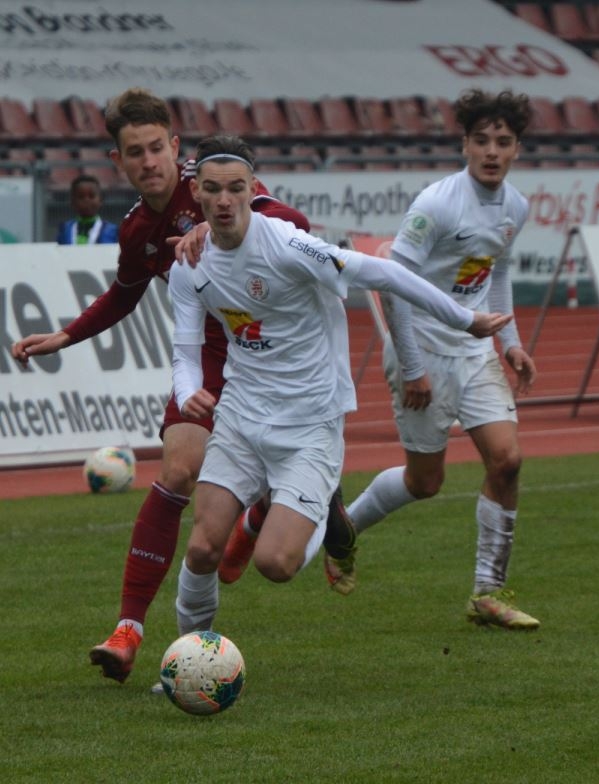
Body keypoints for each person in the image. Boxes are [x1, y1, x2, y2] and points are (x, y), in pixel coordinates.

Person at [9, 87, 353, 685]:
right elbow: (125, 290)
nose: (148, 162)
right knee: (176, 473)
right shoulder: (139, 228)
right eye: (133, 153)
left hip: (267, 356)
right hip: (205, 362)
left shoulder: (212, 184)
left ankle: (279, 507)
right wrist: (65, 336)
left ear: (174, 148)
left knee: (264, 528)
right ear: (118, 162)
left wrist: (229, 228)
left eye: (155, 148)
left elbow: (291, 222)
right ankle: (129, 631)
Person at [168, 135, 509, 635]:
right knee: (201, 547)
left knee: (276, 565)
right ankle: (188, 658)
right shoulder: (190, 266)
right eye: (212, 189)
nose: (224, 200)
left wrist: (465, 320)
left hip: (310, 422)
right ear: (196, 192)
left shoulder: (288, 245)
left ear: (251, 188)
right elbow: (185, 350)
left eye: (235, 188)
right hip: (241, 418)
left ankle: (328, 517)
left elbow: (385, 273)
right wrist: (187, 392)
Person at [325, 88, 539, 630]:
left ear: (517, 149)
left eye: (504, 142)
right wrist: (413, 364)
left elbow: (498, 273)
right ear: (465, 144)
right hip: (422, 349)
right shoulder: (437, 204)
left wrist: (510, 341)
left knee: (507, 461)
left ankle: (488, 593)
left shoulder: (516, 205)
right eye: (482, 141)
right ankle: (343, 530)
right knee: (426, 483)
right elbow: (393, 286)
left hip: (474, 349)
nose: (492, 151)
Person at [56, 174, 119, 245]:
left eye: (91, 196)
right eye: (81, 197)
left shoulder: (112, 230)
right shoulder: (65, 229)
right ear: (72, 202)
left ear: (100, 200)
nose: (86, 200)